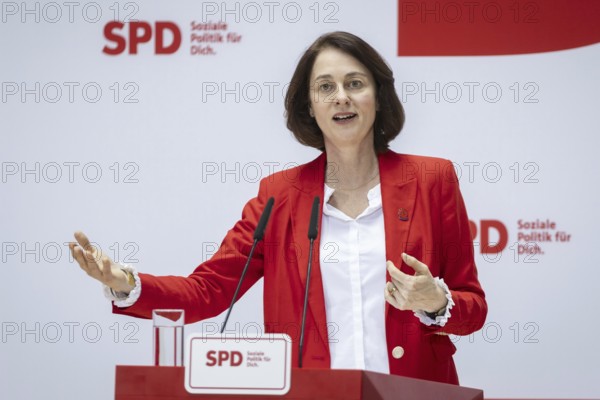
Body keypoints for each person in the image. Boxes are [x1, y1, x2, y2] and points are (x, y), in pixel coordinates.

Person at [69, 31, 486, 384]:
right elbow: (209, 290)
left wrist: (436, 302)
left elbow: (473, 308)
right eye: (325, 87)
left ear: (378, 95)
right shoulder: (280, 195)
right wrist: (126, 282)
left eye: (355, 83)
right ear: (309, 106)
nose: (341, 97)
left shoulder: (433, 180)